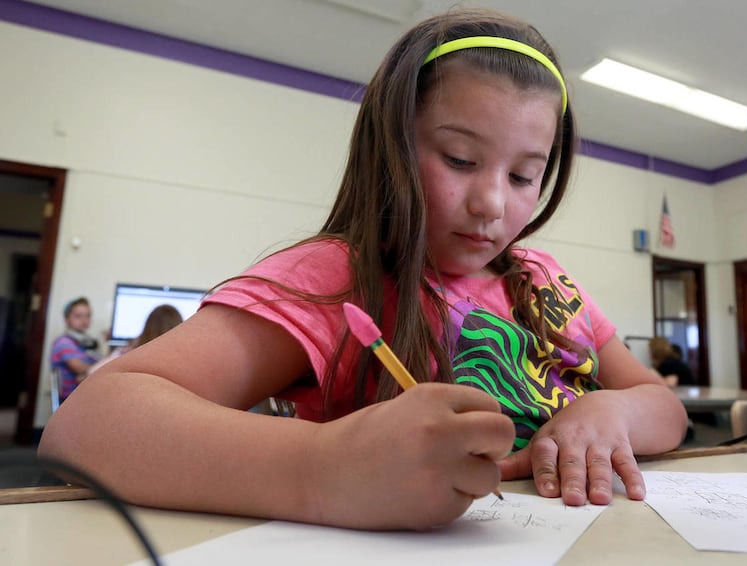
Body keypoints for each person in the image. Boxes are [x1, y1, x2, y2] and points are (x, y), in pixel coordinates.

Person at [40, 8, 687, 531]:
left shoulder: (545, 277)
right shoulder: (334, 275)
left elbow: (663, 405)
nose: (493, 202)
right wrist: (325, 468)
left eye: (524, 175)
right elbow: (88, 424)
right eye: (460, 159)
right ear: (393, 147)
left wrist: (610, 413)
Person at [88, 304, 184, 374]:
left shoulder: (131, 353)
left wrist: (119, 352)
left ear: (147, 328)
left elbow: (92, 372)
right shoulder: (181, 359)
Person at [50, 297, 100, 403]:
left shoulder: (84, 342)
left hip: (83, 394)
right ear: (67, 319)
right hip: (71, 399)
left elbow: (93, 366)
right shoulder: (64, 342)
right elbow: (80, 369)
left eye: (88, 315)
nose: (84, 320)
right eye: (78, 316)